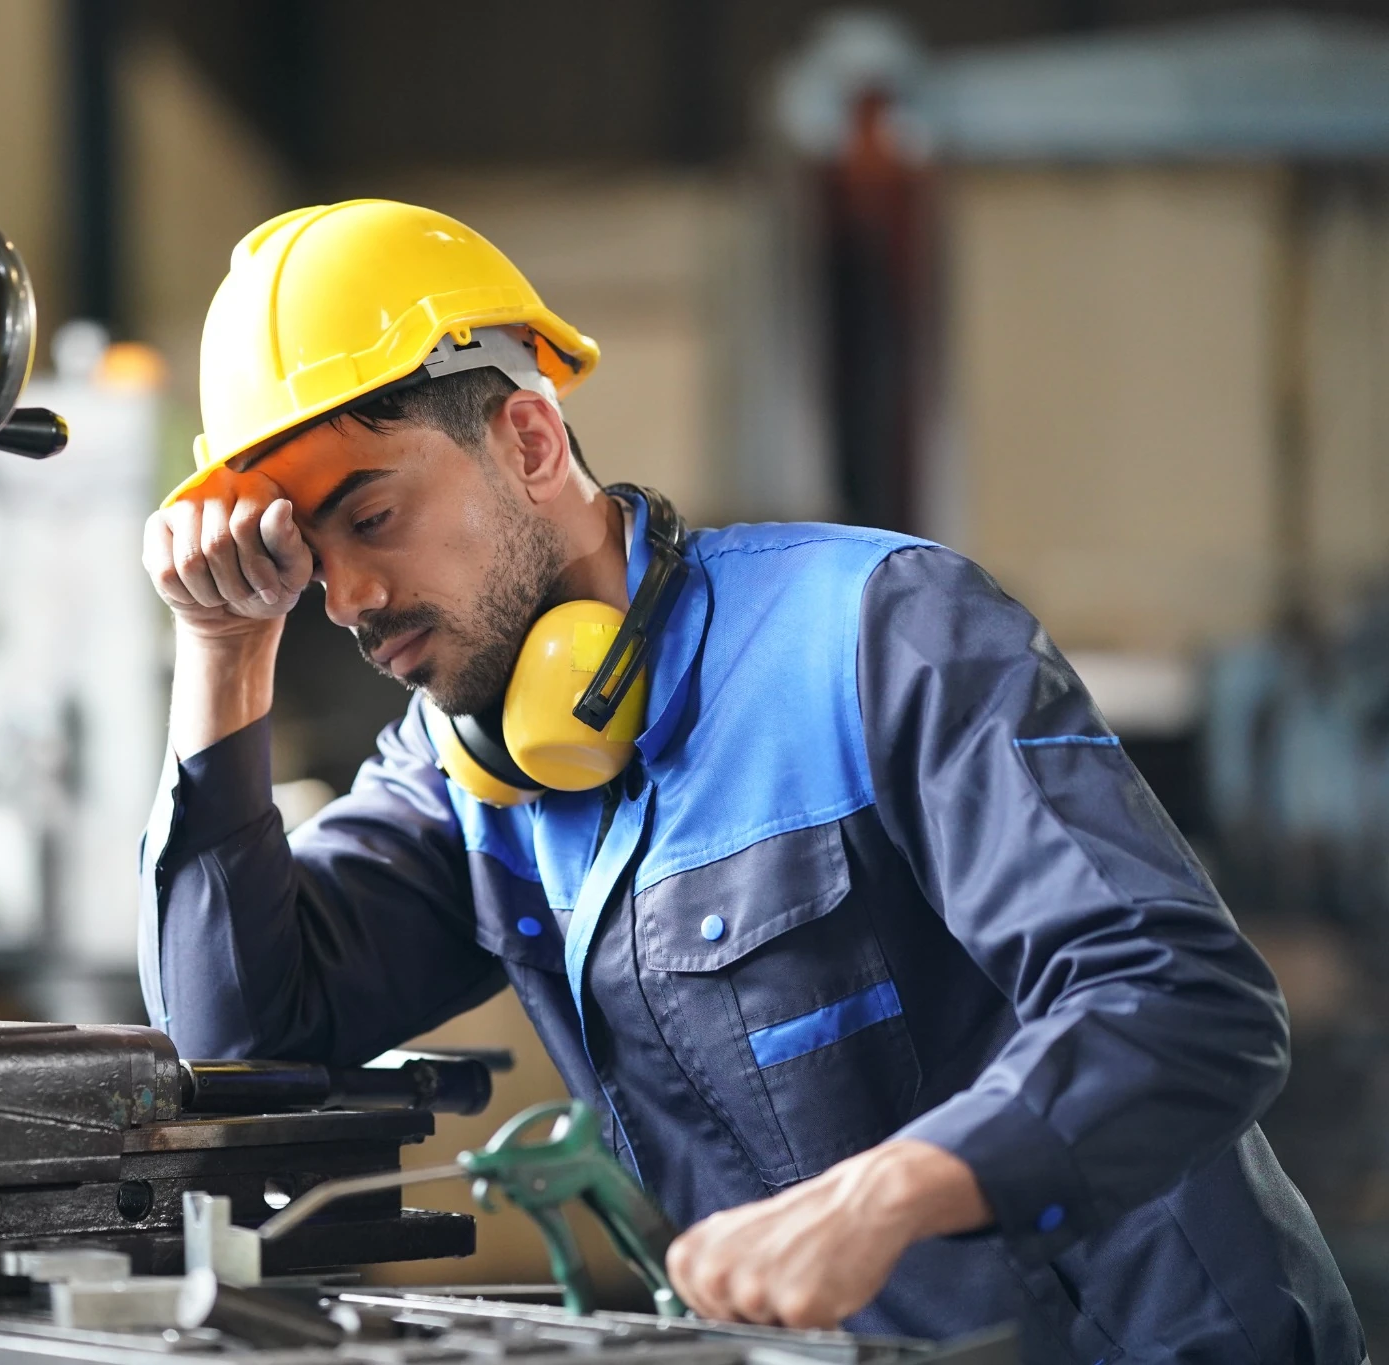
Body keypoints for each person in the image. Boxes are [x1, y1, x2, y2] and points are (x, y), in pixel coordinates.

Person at [137, 199, 1361, 1361]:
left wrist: (892, 1193)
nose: (346, 599)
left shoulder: (875, 633)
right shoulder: (463, 773)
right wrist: (223, 648)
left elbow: (1182, 1001)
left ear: (528, 440)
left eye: (370, 518)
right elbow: (241, 1042)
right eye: (310, 558)